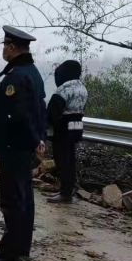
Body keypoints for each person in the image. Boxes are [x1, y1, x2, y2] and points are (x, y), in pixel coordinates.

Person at [0, 26, 46, 261]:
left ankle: (9, 253)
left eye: (4, 45)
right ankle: (21, 247)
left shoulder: (17, 76)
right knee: (24, 198)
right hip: (25, 145)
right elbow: (39, 111)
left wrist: (31, 140)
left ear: (11, 47)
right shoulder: (33, 73)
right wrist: (38, 140)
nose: (3, 50)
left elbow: (18, 116)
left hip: (14, 147)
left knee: (12, 200)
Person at [46, 60, 88, 204]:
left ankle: (65, 193)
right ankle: (67, 190)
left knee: (61, 159)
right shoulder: (82, 88)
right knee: (70, 160)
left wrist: (46, 125)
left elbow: (52, 112)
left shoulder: (64, 89)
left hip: (62, 129)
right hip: (76, 127)